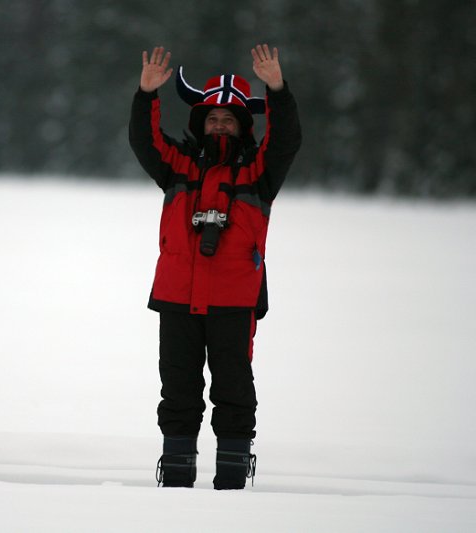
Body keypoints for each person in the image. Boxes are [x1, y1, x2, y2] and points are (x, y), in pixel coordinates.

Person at [129, 45, 301, 489]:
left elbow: (286, 141)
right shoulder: (178, 166)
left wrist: (277, 89)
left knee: (234, 391)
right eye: (211, 118)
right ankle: (177, 479)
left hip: (234, 300)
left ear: (243, 126)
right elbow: (144, 142)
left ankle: (231, 483)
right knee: (178, 391)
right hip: (176, 299)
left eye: (228, 119)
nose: (219, 124)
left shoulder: (259, 172)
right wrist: (146, 95)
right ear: (199, 123)